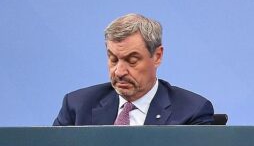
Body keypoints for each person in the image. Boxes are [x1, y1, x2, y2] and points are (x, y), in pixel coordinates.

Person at [54, 13, 214, 126]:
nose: (119, 71)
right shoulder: (77, 106)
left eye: (132, 60)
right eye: (113, 59)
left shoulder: (192, 111)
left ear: (157, 56)